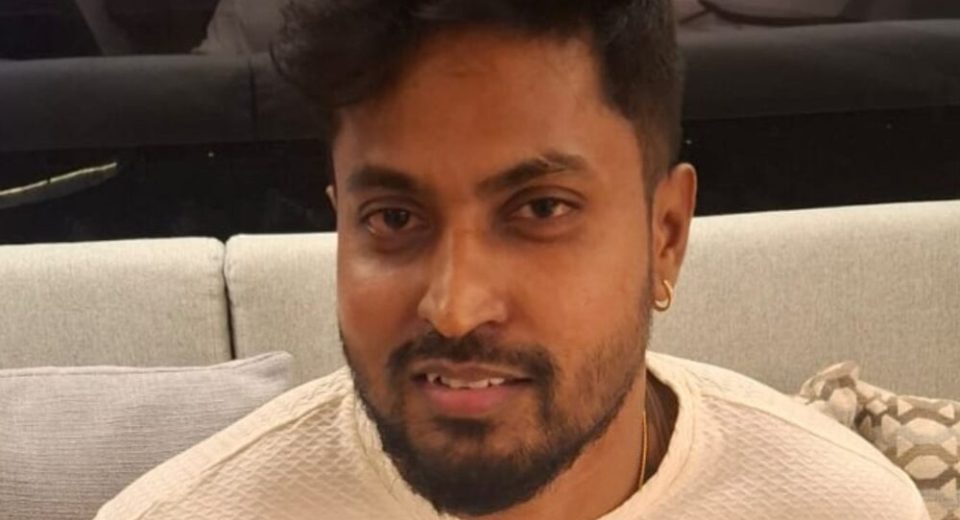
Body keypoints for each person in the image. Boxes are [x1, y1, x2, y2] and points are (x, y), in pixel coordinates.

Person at [95, 1, 929, 518]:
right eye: (393, 218)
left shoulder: (840, 507)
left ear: (666, 235)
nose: (455, 308)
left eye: (540, 210)